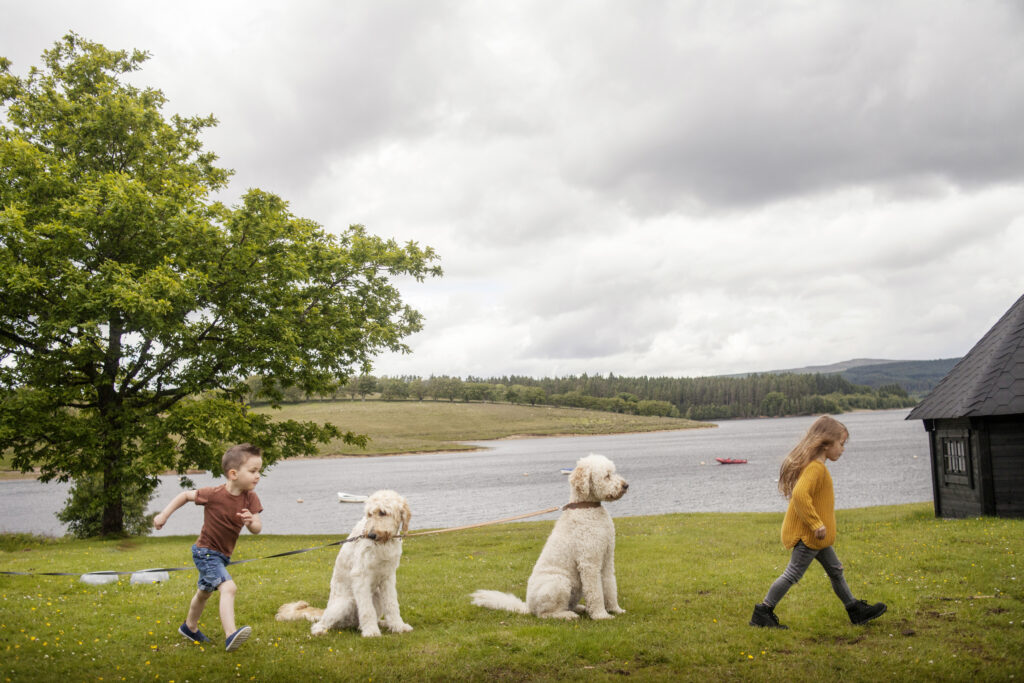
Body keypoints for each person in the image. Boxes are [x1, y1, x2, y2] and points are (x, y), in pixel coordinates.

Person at [750, 416, 886, 629]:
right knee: (792, 574)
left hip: (817, 538)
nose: (842, 449)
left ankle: (854, 610)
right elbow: (800, 494)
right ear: (826, 444)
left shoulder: (817, 466)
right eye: (841, 444)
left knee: (836, 571)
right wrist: (815, 524)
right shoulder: (816, 468)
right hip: (810, 536)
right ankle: (763, 612)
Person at [154, 443, 264, 651]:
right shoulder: (213, 494)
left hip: (221, 556)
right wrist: (163, 515)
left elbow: (257, 528)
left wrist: (251, 522)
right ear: (233, 473)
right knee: (228, 588)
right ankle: (231, 634)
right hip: (205, 552)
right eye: (253, 471)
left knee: (204, 593)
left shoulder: (250, 498)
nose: (258, 476)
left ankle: (189, 627)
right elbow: (185, 495)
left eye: (259, 471)